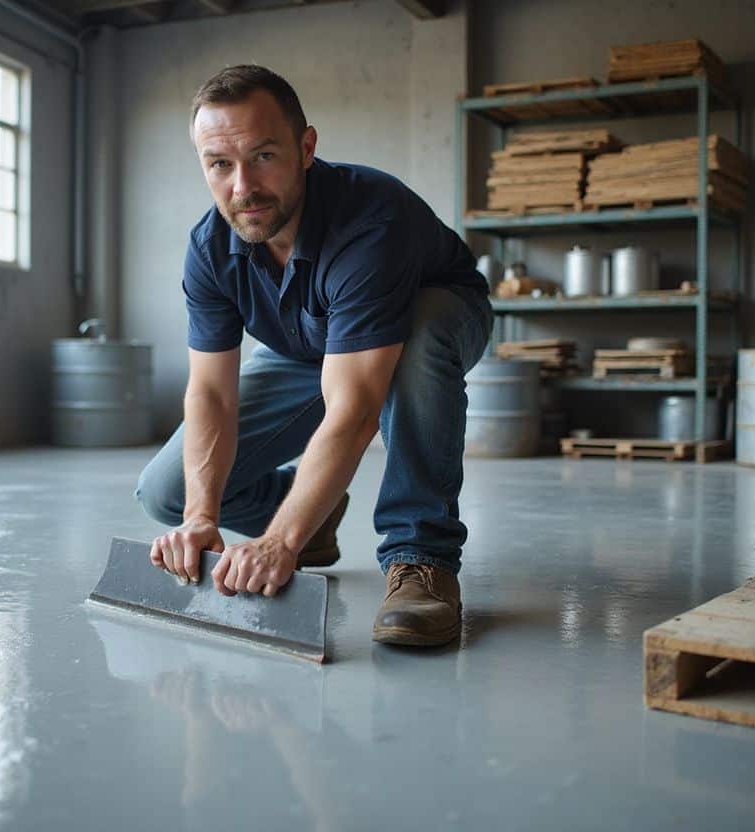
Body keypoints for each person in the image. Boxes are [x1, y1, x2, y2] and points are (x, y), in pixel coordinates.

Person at [135, 65, 491, 647]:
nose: (242, 186)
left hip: (433, 317)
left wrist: (279, 544)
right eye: (220, 164)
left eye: (264, 156)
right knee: (166, 492)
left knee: (420, 336)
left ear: (306, 148)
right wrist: (202, 518)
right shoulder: (210, 247)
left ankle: (421, 561)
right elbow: (211, 393)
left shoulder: (372, 221)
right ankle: (313, 514)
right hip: (306, 348)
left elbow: (353, 410)